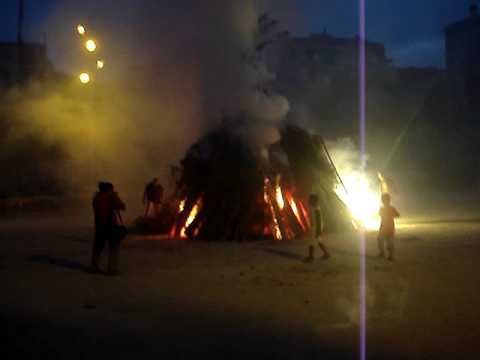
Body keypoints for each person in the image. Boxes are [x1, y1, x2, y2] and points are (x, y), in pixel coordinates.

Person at [90, 182, 126, 275]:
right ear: (109, 190)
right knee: (114, 248)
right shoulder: (112, 198)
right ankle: (112, 269)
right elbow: (123, 206)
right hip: (111, 226)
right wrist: (115, 198)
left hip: (100, 226)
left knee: (98, 248)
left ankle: (93, 267)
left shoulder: (96, 198)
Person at [306, 194, 330, 262]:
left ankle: (311, 257)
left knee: (312, 241)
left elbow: (319, 220)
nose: (309, 201)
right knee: (318, 241)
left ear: (314, 201)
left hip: (316, 227)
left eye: (311, 200)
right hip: (315, 226)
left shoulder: (316, 209)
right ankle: (326, 254)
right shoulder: (313, 207)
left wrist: (318, 231)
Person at [378, 193, 400, 261]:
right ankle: (383, 253)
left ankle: (390, 255)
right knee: (381, 240)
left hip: (388, 227)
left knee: (389, 242)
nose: (384, 201)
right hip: (385, 227)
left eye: (384, 200)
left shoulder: (390, 208)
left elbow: (397, 215)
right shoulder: (384, 208)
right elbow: (379, 214)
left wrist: (390, 214)